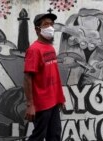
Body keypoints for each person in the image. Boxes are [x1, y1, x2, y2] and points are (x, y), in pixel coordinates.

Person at [23, 13, 66, 141]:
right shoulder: (34, 50)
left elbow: (54, 75)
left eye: (52, 24)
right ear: (37, 29)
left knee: (55, 135)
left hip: (53, 102)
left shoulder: (50, 48)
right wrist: (30, 105)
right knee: (38, 136)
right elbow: (27, 77)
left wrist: (60, 98)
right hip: (41, 104)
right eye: (46, 24)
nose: (50, 27)